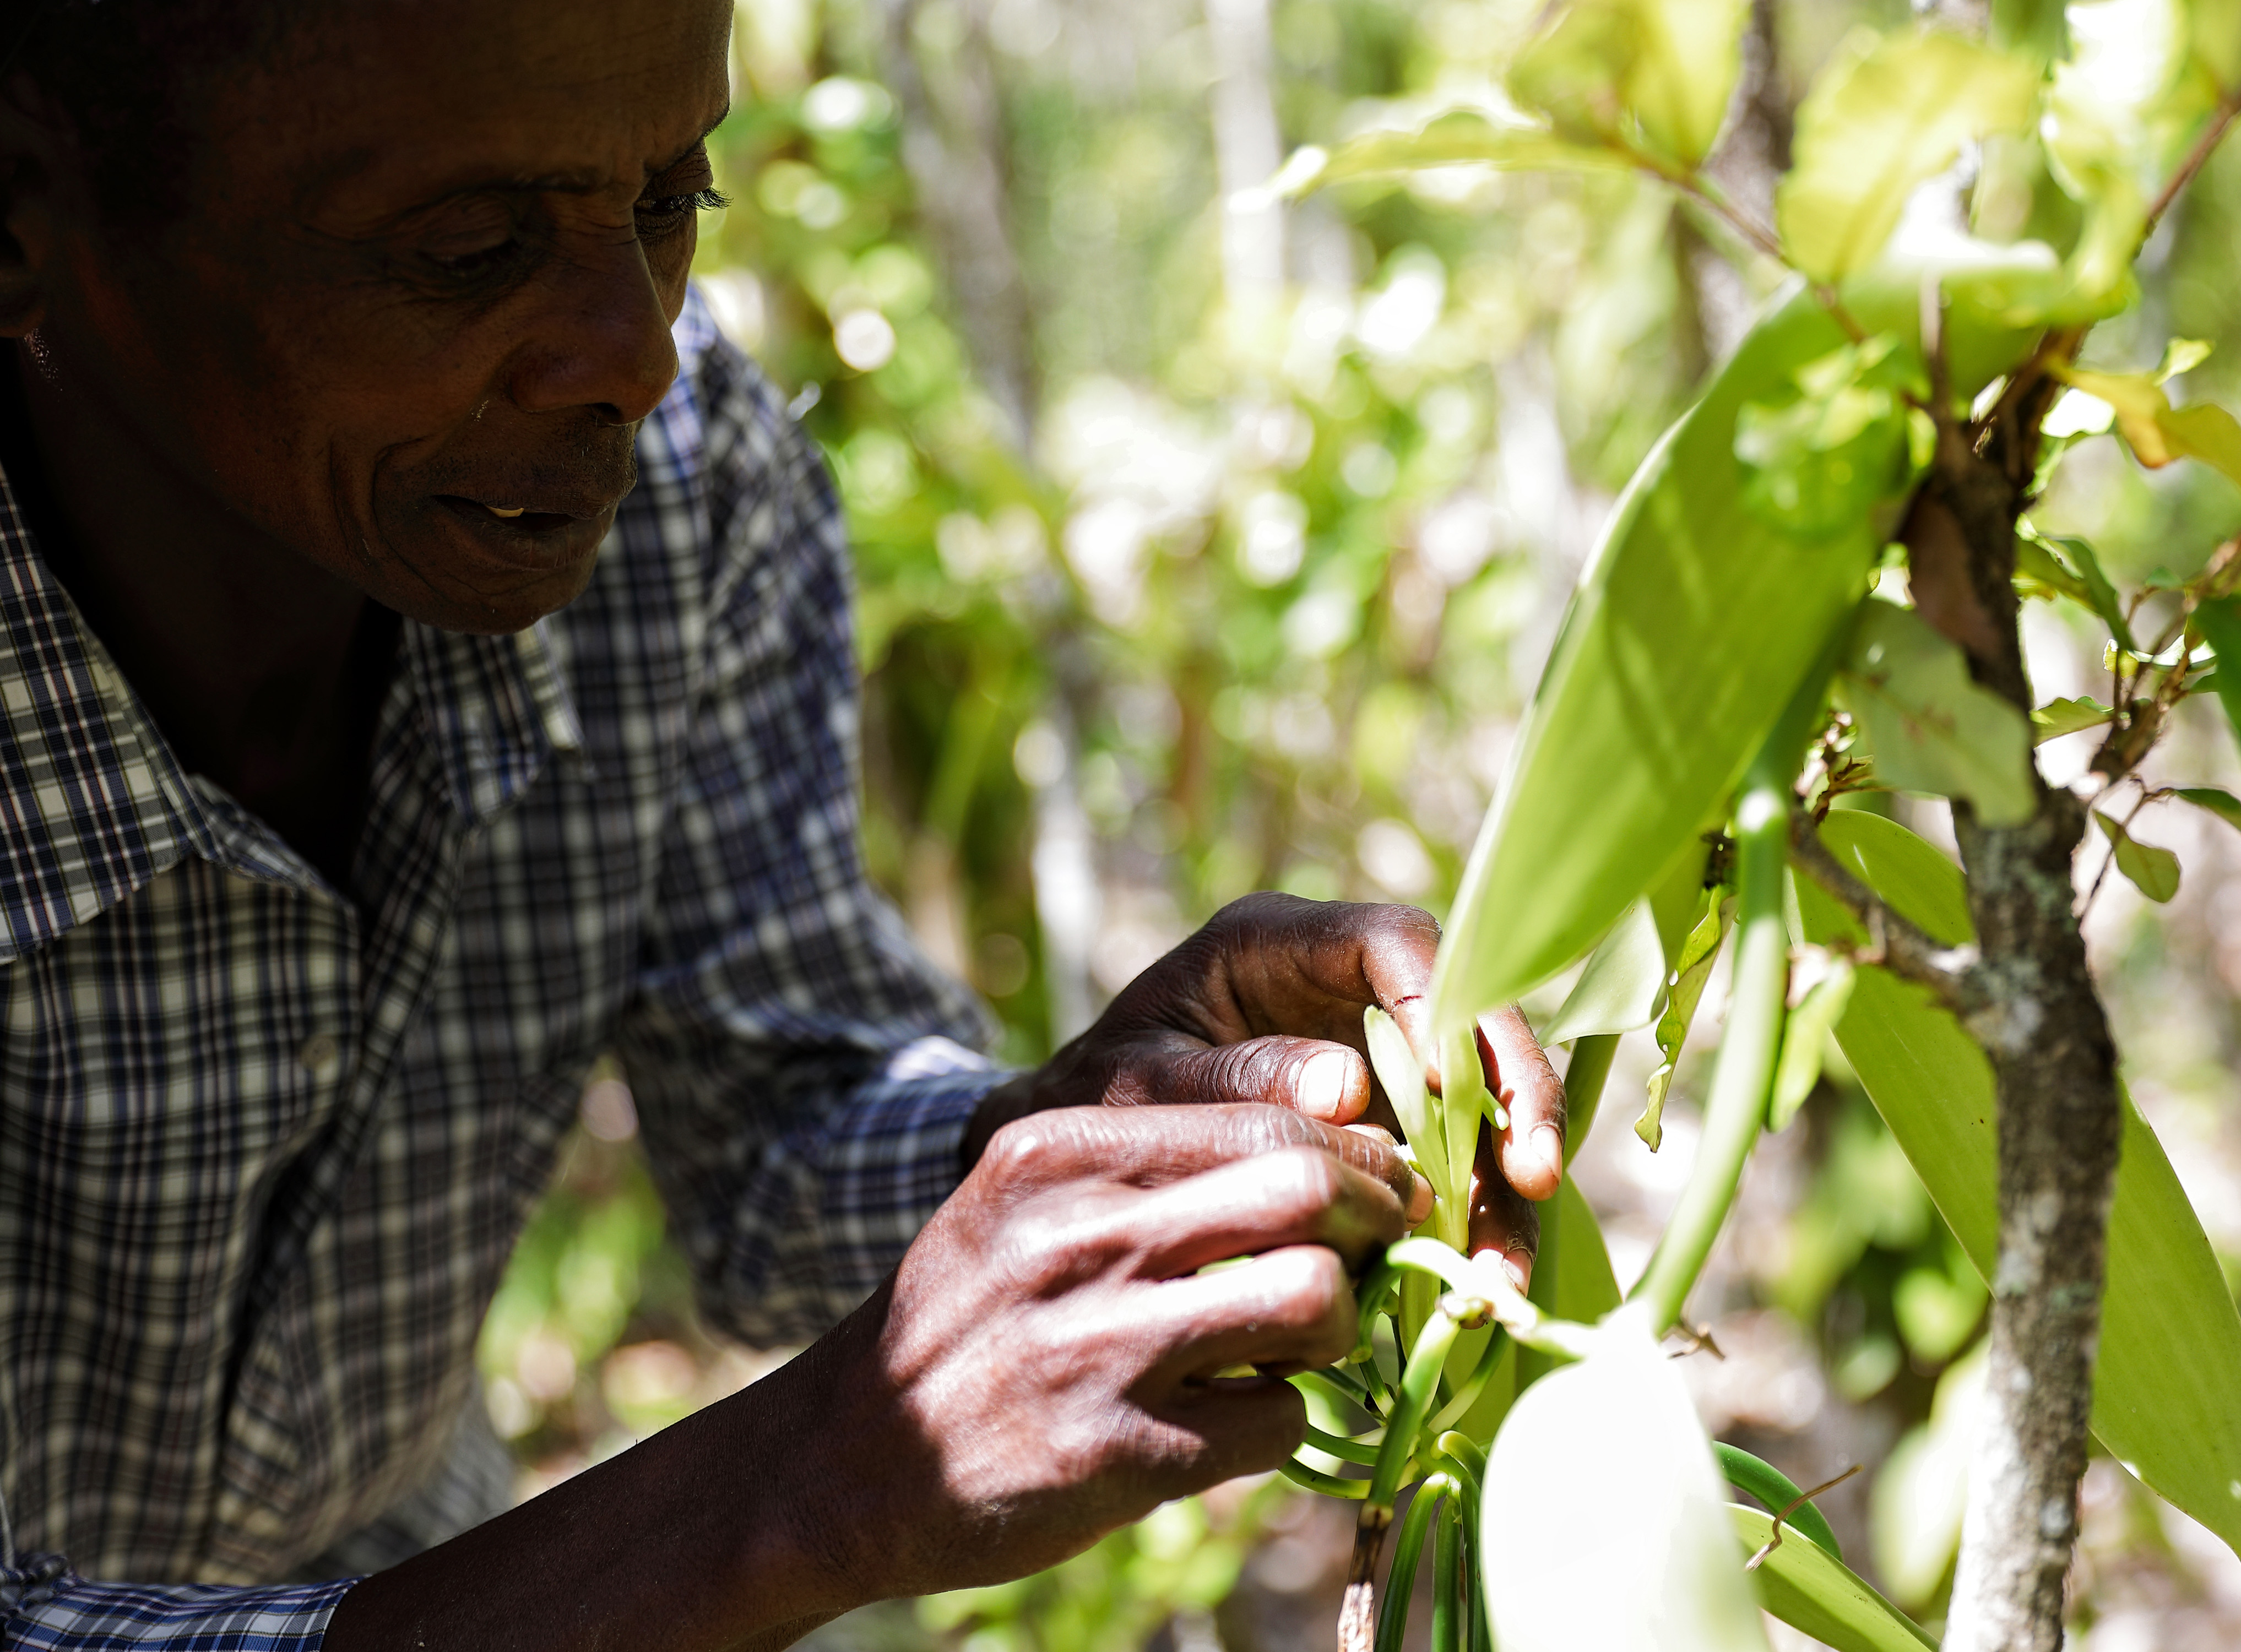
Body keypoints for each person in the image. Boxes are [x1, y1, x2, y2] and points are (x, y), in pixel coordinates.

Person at [0, 1, 1567, 1647]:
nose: (636, 351)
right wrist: (809, 1480)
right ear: (29, 215)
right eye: (469, 245)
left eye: (671, 202)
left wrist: (1064, 1128)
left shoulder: (677, 506)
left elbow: (772, 1118)